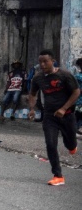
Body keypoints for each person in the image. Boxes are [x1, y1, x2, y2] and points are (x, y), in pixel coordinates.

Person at [28, 49, 78, 186]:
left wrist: (64, 108)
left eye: (45, 61)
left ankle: (72, 146)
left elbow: (76, 92)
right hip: (50, 116)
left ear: (53, 61)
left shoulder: (64, 75)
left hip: (67, 115)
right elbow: (32, 94)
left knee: (70, 143)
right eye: (40, 62)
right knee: (51, 144)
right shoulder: (38, 78)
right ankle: (58, 175)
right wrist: (32, 109)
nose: (42, 64)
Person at [74, 58, 82, 138]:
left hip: (79, 100)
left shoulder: (77, 76)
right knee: (78, 115)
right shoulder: (78, 76)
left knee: (78, 116)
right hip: (79, 100)